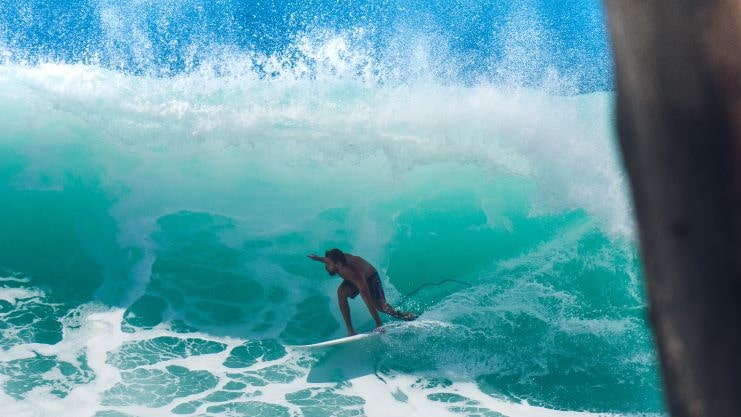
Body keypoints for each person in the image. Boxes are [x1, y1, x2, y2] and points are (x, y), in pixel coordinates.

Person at [308, 248, 416, 335]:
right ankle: (351, 330)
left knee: (380, 307)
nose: (326, 266)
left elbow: (368, 301)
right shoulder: (336, 261)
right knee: (341, 293)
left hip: (370, 278)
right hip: (353, 278)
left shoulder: (354, 273)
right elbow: (327, 259)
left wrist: (379, 325)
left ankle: (405, 316)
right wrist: (317, 258)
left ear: (338, 265)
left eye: (328, 264)